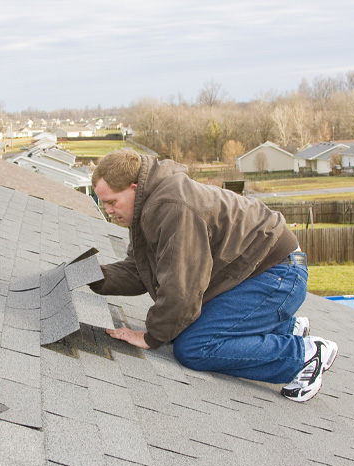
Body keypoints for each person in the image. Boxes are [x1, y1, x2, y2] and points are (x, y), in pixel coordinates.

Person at [90, 149, 338, 402]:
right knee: (184, 330)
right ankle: (285, 328)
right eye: (103, 203)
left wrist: (151, 337)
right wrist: (93, 277)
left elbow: (182, 288)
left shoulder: (172, 206)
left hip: (277, 275)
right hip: (254, 273)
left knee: (194, 347)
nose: (108, 210)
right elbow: (139, 270)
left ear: (133, 188)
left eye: (112, 202)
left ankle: (304, 355)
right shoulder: (150, 206)